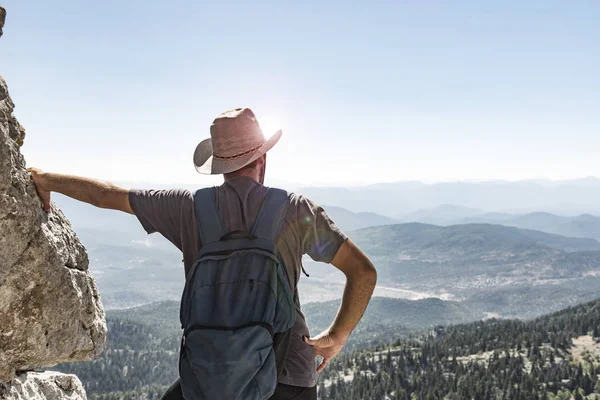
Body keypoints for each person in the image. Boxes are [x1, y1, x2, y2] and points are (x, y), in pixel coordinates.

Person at [27, 107, 377, 400]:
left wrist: (47, 179)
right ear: (263, 157)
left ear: (219, 163)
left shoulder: (187, 209)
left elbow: (108, 196)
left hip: (211, 376)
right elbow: (363, 272)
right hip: (287, 373)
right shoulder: (294, 210)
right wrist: (336, 336)